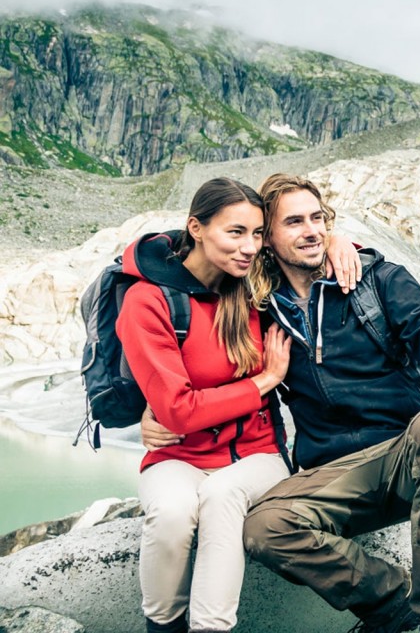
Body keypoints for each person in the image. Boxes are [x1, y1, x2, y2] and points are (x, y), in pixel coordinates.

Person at [144, 172, 420, 633]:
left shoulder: (375, 280)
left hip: (404, 456)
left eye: (319, 219)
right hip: (332, 476)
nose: (312, 230)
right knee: (264, 528)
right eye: (294, 222)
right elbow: (197, 343)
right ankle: (394, 599)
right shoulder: (257, 304)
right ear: (268, 239)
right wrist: (152, 406)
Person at [118, 177, 294, 633]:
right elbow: (177, 411)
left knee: (221, 496)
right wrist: (264, 382)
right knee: (173, 514)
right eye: (235, 232)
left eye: (257, 234)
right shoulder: (148, 301)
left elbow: (306, 249)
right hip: (177, 452)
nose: (250, 246)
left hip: (257, 453)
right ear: (196, 228)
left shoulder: (254, 285)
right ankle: (162, 625)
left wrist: (339, 244)